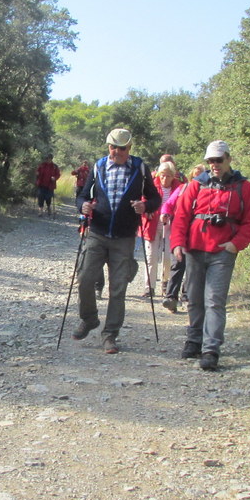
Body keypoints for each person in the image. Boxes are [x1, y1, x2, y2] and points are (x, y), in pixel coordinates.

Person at [170, 141, 250, 371]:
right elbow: (181, 216)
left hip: (222, 251)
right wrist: (178, 244)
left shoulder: (243, 187)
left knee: (215, 300)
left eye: (218, 160)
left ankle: (211, 349)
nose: (214, 165)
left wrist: (236, 244)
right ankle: (194, 340)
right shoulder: (196, 185)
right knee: (194, 298)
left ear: (228, 159)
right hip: (195, 248)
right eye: (211, 161)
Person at [73, 127, 162, 354]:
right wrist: (82, 205)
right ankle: (90, 319)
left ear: (129, 148)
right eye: (113, 147)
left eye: (122, 148)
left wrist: (145, 206)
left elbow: (155, 198)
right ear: (108, 147)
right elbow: (83, 195)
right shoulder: (99, 166)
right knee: (84, 278)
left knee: (118, 288)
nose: (117, 151)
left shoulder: (140, 167)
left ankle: (109, 335)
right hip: (98, 232)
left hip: (124, 237)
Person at [159, 163, 206, 312]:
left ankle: (186, 297)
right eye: (195, 174)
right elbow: (169, 204)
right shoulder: (183, 188)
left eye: (201, 175)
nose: (198, 177)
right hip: (180, 231)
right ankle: (171, 297)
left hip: (199, 234)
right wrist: (164, 213)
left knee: (192, 267)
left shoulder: (208, 190)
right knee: (177, 264)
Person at [140, 161, 181, 298]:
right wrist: (147, 210)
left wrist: (171, 215)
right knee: (151, 256)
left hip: (170, 226)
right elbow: (144, 200)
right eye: (162, 175)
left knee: (168, 257)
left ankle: (165, 283)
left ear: (173, 176)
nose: (164, 179)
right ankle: (149, 287)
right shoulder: (152, 186)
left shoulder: (178, 188)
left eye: (168, 176)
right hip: (152, 224)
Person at [35, 153, 61, 218]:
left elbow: (58, 174)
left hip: (50, 185)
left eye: (49, 158)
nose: (47, 160)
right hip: (41, 184)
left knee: (48, 198)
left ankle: (49, 207)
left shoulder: (55, 166)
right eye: (46, 158)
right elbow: (37, 171)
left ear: (51, 159)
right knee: (40, 196)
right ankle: (40, 211)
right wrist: (37, 173)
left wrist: (54, 178)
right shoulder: (42, 165)